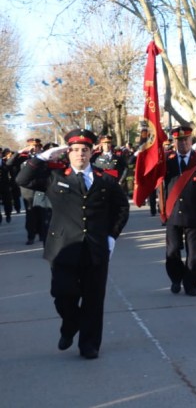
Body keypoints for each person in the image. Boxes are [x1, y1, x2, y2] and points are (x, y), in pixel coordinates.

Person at [16, 129, 129, 359]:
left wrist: (112, 236)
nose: (80, 155)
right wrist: (42, 157)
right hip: (63, 248)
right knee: (62, 293)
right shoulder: (55, 176)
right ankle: (70, 325)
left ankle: (89, 345)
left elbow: (121, 207)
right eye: (75, 150)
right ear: (68, 153)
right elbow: (22, 179)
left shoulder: (105, 179)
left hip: (95, 248)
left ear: (91, 153)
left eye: (84, 150)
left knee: (94, 298)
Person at [162, 126, 196, 296]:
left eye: (186, 140)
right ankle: (176, 278)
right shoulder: (168, 161)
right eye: (179, 141)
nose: (182, 143)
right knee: (172, 252)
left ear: (191, 141)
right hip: (173, 212)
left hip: (193, 212)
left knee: (193, 253)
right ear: (174, 142)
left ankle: (191, 283)